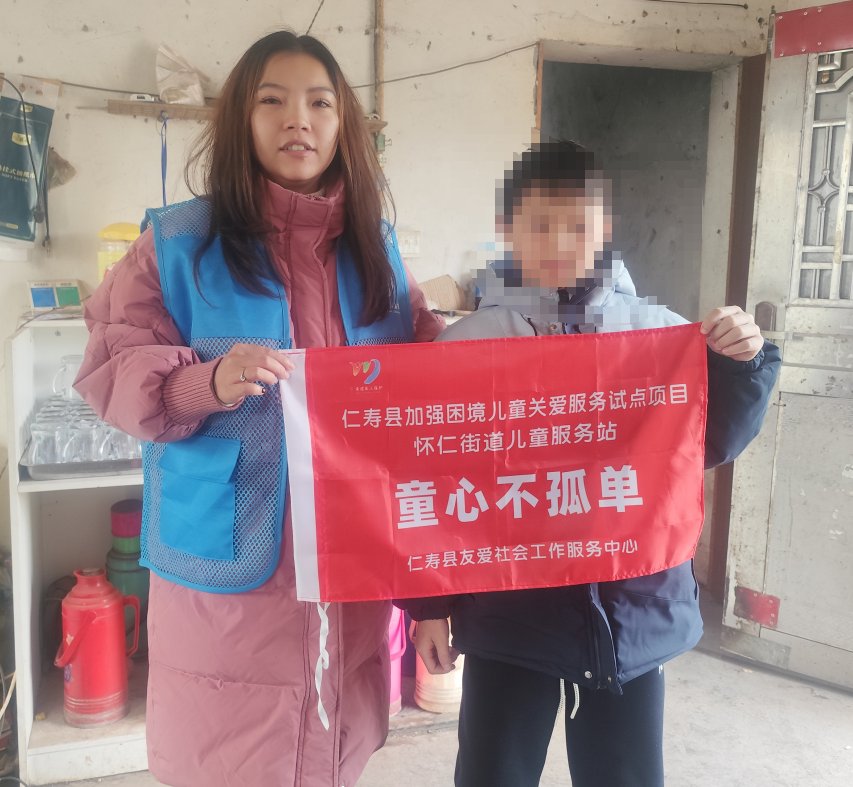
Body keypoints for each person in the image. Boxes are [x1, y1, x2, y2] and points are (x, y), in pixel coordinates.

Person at [75, 31, 443, 787]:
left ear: (343, 125)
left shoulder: (375, 248)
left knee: (334, 750)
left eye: (319, 102)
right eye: (272, 100)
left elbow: (426, 367)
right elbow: (113, 368)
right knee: (231, 758)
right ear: (242, 118)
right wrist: (207, 383)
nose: (297, 119)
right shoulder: (176, 245)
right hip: (228, 577)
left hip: (349, 565)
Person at [397, 139, 780, 787]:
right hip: (508, 613)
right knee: (493, 773)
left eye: (579, 224)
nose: (559, 241)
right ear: (506, 228)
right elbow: (431, 484)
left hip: (627, 612)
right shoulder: (463, 348)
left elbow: (709, 444)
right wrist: (428, 604)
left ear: (606, 228)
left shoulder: (658, 335)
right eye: (539, 223)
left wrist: (741, 366)